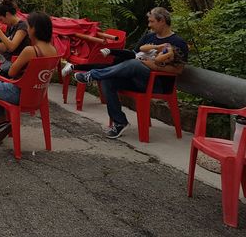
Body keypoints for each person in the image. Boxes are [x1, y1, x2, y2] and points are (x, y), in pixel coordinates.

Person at [73, 7, 188, 139]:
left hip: (157, 84)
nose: (149, 25)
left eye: (151, 22)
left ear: (162, 21)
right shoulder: (149, 37)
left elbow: (178, 70)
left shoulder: (177, 43)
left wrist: (145, 63)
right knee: (108, 79)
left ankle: (92, 74)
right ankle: (119, 122)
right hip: (136, 78)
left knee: (134, 63)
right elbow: (134, 55)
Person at [0, 11, 58, 143]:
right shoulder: (53, 50)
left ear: (34, 29)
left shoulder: (30, 50)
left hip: (18, 94)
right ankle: (2, 123)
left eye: (29, 26)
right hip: (38, 94)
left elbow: (11, 73)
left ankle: (2, 122)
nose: (27, 29)